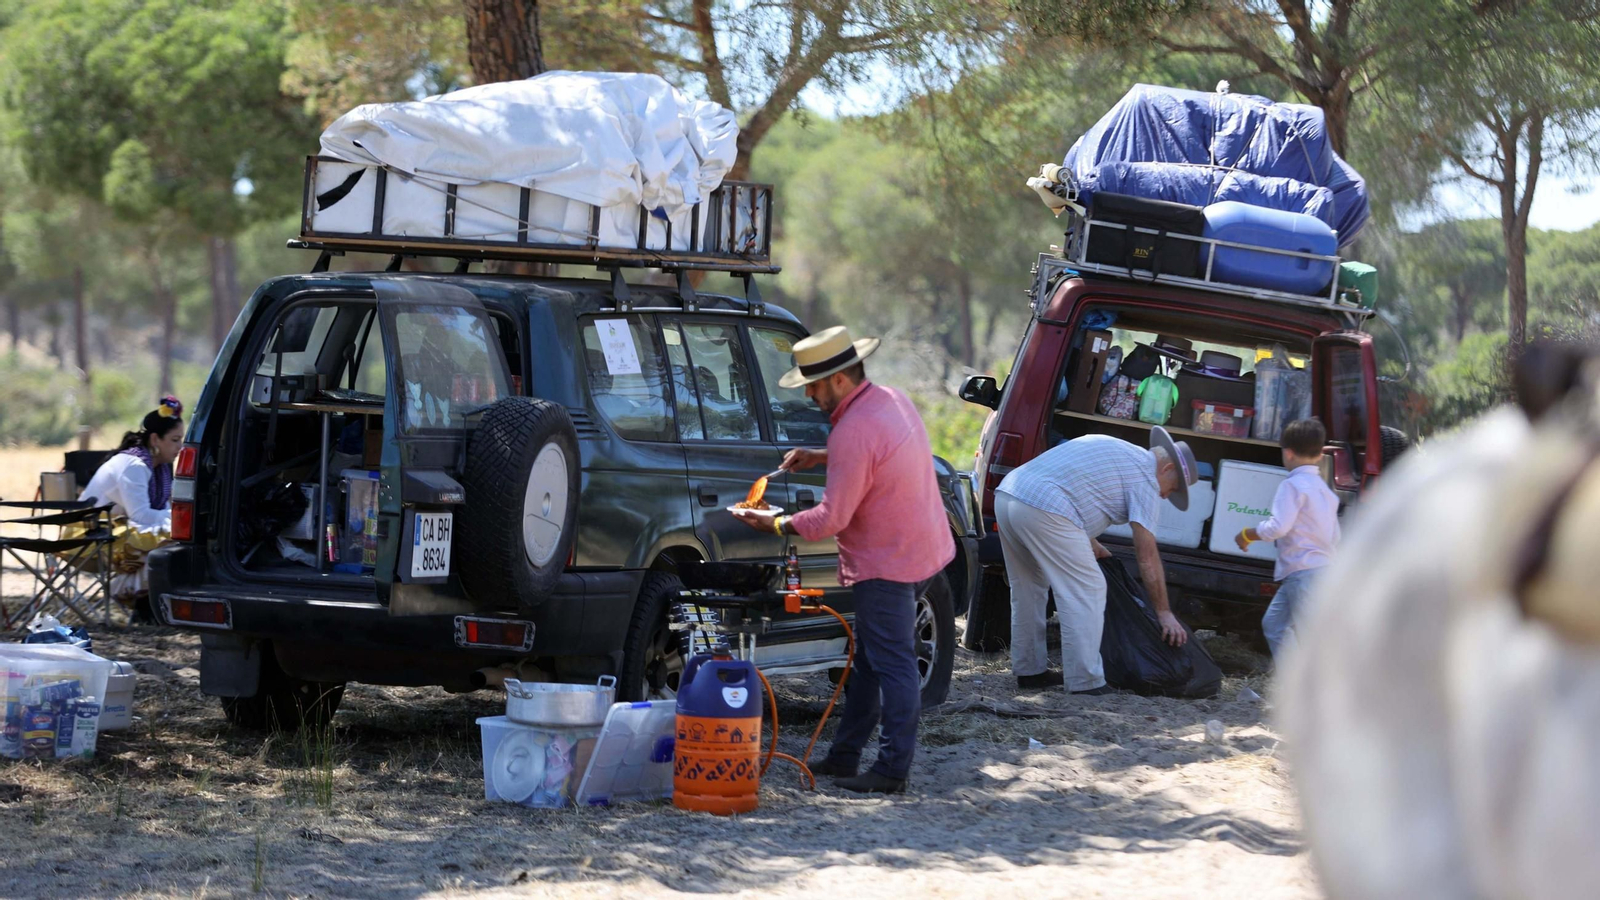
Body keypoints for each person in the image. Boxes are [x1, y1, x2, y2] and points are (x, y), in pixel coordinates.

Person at [732, 325, 954, 795]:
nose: (809, 394)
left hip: (887, 563)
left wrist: (775, 524)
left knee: (893, 665)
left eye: (812, 385)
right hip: (922, 549)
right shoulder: (890, 400)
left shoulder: (853, 429)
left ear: (837, 379)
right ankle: (846, 754)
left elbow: (830, 519)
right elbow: (875, 452)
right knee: (870, 660)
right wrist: (821, 456)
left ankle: (891, 770)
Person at [994, 428, 1197, 694]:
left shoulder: (1119, 450)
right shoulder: (1147, 479)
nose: (1166, 496)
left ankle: (1030, 671)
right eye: (1173, 488)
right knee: (1088, 588)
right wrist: (1164, 613)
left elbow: (1072, 485)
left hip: (1009, 495)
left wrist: (1090, 542)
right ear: (1167, 468)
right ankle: (1085, 681)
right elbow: (1147, 556)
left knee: (1027, 589)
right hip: (1045, 507)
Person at [1235, 418, 1340, 660]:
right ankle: (1293, 678)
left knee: (1308, 637)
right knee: (1274, 625)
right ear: (1320, 454)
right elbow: (1335, 535)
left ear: (1288, 453)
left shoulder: (1292, 485)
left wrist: (1247, 535)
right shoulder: (1325, 491)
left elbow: (1278, 527)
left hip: (1302, 572)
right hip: (1314, 571)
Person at [78, 395, 184, 615]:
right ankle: (129, 595)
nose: (180, 447)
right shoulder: (134, 465)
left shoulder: (161, 468)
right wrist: (178, 520)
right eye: (175, 440)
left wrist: (176, 520)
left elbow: (162, 510)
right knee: (170, 540)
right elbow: (141, 515)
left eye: (181, 440)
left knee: (179, 539)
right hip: (91, 534)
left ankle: (146, 606)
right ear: (155, 439)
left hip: (118, 532)